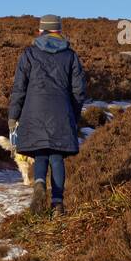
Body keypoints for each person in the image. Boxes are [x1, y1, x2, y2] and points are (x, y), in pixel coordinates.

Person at [8, 14, 87, 217]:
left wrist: (13, 116)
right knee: (57, 156)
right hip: (61, 111)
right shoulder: (70, 56)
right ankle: (57, 204)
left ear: (40, 31)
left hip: (33, 111)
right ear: (59, 31)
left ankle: (40, 183)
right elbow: (79, 91)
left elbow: (19, 88)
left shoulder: (29, 54)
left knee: (40, 152)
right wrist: (74, 115)